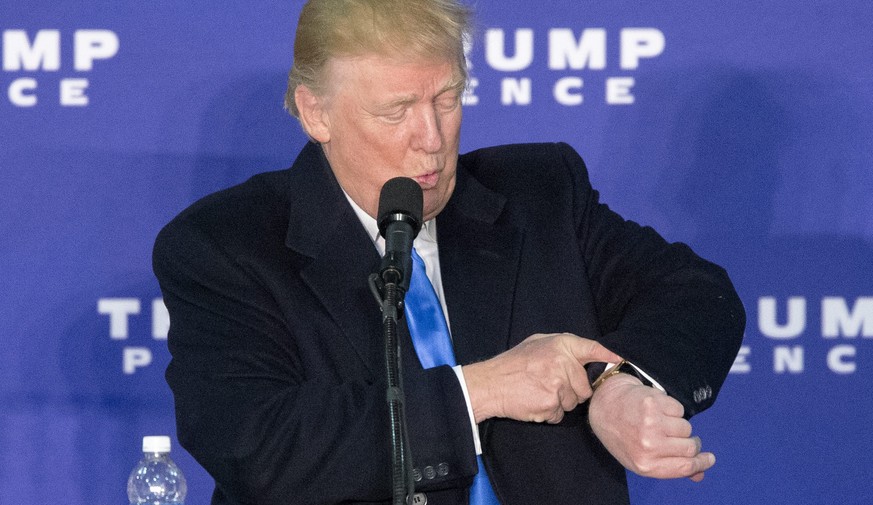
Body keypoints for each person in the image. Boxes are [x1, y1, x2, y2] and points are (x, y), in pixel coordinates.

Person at [152, 0, 745, 504]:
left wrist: (622, 383)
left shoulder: (540, 193)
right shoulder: (225, 245)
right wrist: (482, 389)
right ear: (316, 113)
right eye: (397, 111)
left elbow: (696, 295)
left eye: (447, 99)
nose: (432, 141)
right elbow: (259, 446)